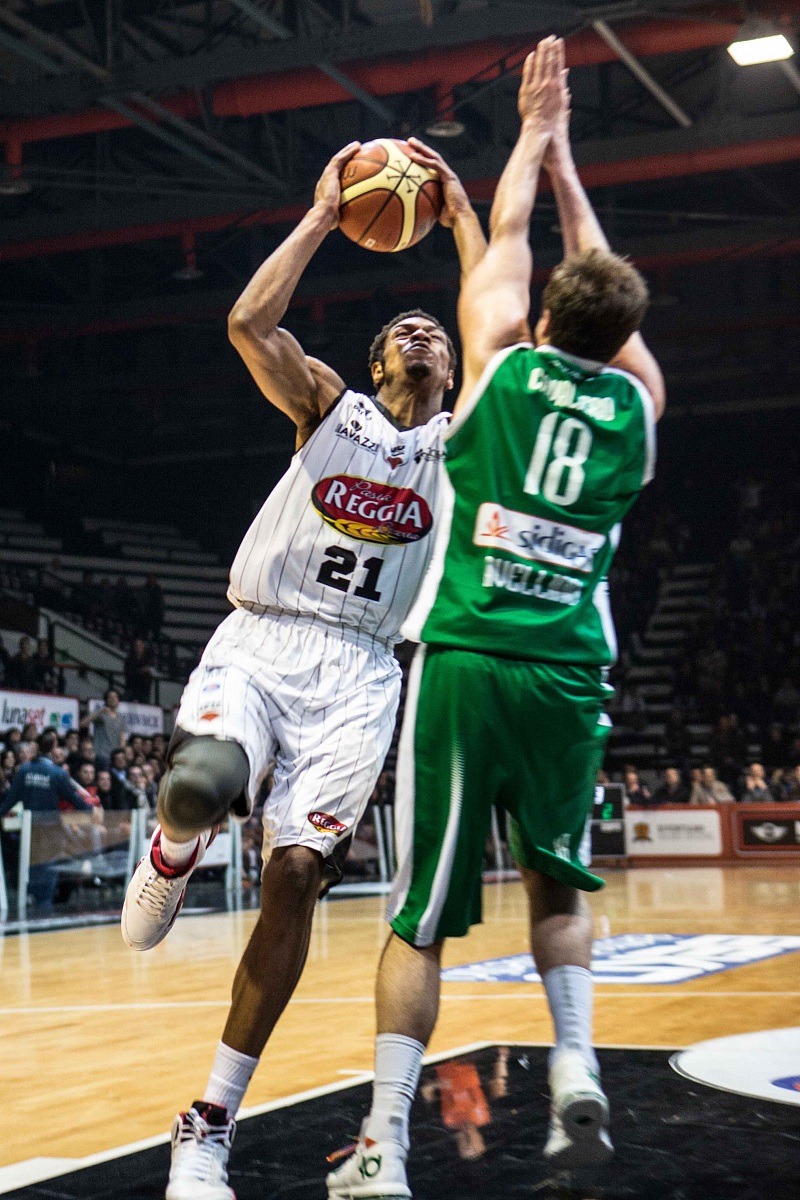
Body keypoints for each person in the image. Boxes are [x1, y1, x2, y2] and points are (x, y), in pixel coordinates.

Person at [327, 37, 665, 1198]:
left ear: (537, 319)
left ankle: (385, 1149)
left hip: (468, 659)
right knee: (561, 892)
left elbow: (507, 251)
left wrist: (533, 134)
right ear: (622, 333)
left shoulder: (497, 373)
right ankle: (575, 1065)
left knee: (416, 922)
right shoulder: (639, 406)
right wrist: (575, 176)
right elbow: (588, 275)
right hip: (572, 668)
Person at [119, 139, 486, 1199]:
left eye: (434, 332)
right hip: (267, 634)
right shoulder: (332, 408)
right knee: (198, 784)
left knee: (293, 880)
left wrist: (461, 222)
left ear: (450, 367)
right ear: (372, 364)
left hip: (366, 672)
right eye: (400, 330)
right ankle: (174, 845)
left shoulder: (461, 443)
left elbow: (500, 326)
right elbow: (247, 324)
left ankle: (206, 1123)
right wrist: (326, 214)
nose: (420, 333)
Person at [0, 729, 103, 906]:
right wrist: (90, 810)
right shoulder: (57, 773)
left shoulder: (24, 770)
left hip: (30, 828)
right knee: (48, 865)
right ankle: (44, 903)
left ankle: (30, 898)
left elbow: (10, 799)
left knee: (31, 863)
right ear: (53, 748)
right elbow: (74, 798)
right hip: (50, 828)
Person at [79, 689, 126, 767]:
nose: (113, 699)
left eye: (115, 697)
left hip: (114, 757)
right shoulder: (101, 714)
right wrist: (99, 712)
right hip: (100, 755)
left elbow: (122, 737)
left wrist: (121, 754)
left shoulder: (121, 718)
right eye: (110, 697)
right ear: (106, 700)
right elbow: (82, 724)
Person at [124, 639, 154, 704]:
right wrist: (140, 671)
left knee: (145, 704)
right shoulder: (129, 658)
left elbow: (149, 670)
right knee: (126, 701)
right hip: (131, 685)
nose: (138, 647)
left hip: (144, 687)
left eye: (140, 645)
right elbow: (128, 671)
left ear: (143, 646)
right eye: (136, 646)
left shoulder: (147, 658)